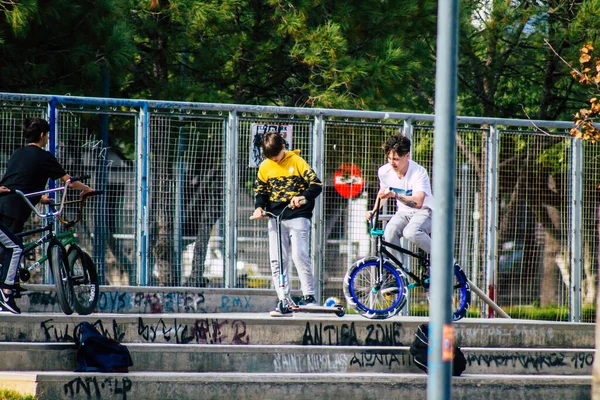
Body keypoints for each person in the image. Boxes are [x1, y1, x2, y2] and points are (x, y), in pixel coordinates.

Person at [0, 117, 94, 314]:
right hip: (11, 209)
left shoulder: (18, 154)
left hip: (9, 206)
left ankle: (7, 287)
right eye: (47, 134)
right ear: (42, 135)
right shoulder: (45, 157)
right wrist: (87, 189)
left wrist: (39, 197)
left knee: (7, 248)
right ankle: (6, 293)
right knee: (15, 247)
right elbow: (68, 181)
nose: (48, 138)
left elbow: (18, 180)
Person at [252, 132, 323, 316]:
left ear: (283, 147)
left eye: (276, 156)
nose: (274, 160)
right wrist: (259, 208)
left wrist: (302, 197)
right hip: (276, 218)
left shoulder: (297, 161)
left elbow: (316, 184)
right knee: (277, 260)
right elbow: (261, 192)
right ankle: (284, 299)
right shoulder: (265, 166)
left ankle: (309, 297)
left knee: (299, 255)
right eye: (270, 157)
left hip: (298, 214)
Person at [369, 134, 433, 259]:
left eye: (396, 159)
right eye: (389, 158)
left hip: (425, 211)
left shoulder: (418, 172)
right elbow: (383, 194)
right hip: (403, 213)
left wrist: (395, 195)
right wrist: (374, 210)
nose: (392, 163)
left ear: (407, 156)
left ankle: (444, 258)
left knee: (411, 232)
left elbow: (418, 202)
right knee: (389, 232)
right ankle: (399, 273)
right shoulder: (384, 171)